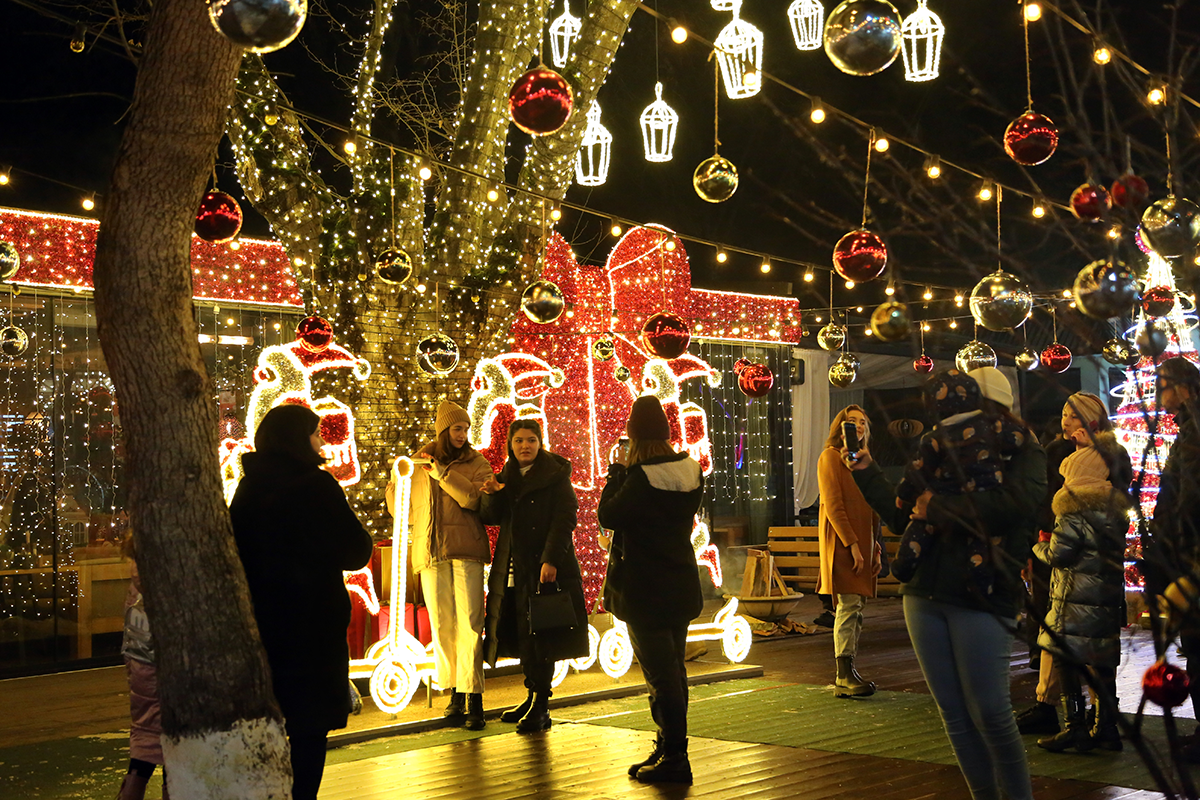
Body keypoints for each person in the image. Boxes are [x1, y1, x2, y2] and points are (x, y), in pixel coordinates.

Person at [847, 366, 1043, 800]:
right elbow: (902, 513)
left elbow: (1015, 508)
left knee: (991, 711)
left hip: (983, 591)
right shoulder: (937, 445)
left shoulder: (1022, 448)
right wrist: (867, 470)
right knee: (953, 712)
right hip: (924, 590)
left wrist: (935, 508)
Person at [230, 404, 373, 800]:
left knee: (267, 725)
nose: (322, 442)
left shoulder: (248, 488)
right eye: (315, 434)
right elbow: (355, 550)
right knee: (309, 728)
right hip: (312, 626)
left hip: (262, 623)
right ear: (297, 439)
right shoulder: (316, 486)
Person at [598, 396, 704, 785]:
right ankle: (669, 746)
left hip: (645, 589)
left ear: (634, 434)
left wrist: (616, 473)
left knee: (661, 676)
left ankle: (675, 756)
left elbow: (608, 514)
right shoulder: (691, 471)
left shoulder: (639, 478)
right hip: (680, 583)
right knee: (673, 670)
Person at [1017, 392, 1132, 737]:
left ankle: (1096, 717)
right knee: (1056, 629)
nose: (1067, 421)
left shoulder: (1113, 453)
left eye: (1075, 415)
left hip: (1084, 556)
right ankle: (1053, 706)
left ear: (1093, 420)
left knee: (1085, 637)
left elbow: (1121, 493)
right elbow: (1042, 498)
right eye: (1065, 413)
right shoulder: (1056, 451)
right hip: (1056, 545)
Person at [389, 399, 493, 729]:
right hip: (430, 552)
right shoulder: (419, 461)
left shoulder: (477, 462)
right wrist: (395, 483)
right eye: (457, 428)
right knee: (443, 626)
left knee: (470, 624)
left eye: (466, 429)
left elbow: (475, 500)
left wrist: (443, 474)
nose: (462, 434)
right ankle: (455, 692)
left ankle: (474, 696)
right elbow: (402, 511)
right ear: (443, 430)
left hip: (466, 549)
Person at [480, 419, 587, 733]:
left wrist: (550, 559)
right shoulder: (507, 476)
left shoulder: (555, 475)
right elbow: (491, 517)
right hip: (514, 569)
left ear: (540, 443)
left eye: (530, 440)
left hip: (545, 569)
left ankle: (542, 705)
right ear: (510, 445)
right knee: (524, 634)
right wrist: (492, 494)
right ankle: (530, 696)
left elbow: (565, 519)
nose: (524, 446)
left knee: (543, 635)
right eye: (518, 441)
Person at [1034, 438, 1128, 753]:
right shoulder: (1116, 514)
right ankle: (1107, 728)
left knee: (1064, 658)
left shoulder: (1072, 514)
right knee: (1102, 663)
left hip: (1074, 601)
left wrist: (1039, 546)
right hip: (1105, 600)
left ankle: (1075, 728)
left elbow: (1059, 555)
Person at [894, 370, 1026, 595]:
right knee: (984, 543)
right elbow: (1016, 439)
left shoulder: (935, 438)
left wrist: (904, 494)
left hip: (947, 492)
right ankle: (981, 586)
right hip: (988, 488)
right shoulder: (993, 427)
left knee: (919, 529)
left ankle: (903, 566)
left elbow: (918, 470)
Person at [1146, 357, 1200, 760]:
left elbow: (1188, 498)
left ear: (1182, 389)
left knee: (1197, 646)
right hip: (1187, 554)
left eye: (1161, 386)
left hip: (1191, 558)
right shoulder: (1188, 427)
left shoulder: (1194, 429)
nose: (1156, 395)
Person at [817, 405, 882, 698]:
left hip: (862, 541)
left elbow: (872, 505)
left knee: (856, 605)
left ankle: (848, 669)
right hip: (843, 540)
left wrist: (874, 545)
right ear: (840, 427)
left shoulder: (862, 460)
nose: (857, 426)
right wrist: (853, 545)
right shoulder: (830, 457)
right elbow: (833, 504)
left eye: (862, 422)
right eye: (851, 421)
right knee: (848, 604)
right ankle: (843, 673)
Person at [116, 533, 166, 800]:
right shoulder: (166, 589)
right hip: (162, 675)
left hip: (140, 674)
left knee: (144, 744)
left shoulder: (135, 592)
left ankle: (131, 790)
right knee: (173, 749)